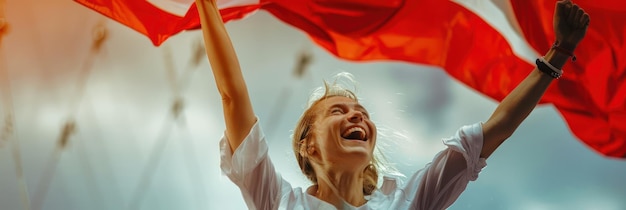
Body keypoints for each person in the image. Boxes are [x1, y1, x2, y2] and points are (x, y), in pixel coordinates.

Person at [195, 0, 590, 209]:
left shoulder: (408, 202)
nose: (355, 116)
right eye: (338, 111)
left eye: (361, 114)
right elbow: (232, 95)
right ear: (308, 145)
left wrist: (558, 53)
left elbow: (496, 128)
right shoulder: (275, 201)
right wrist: (206, 5)